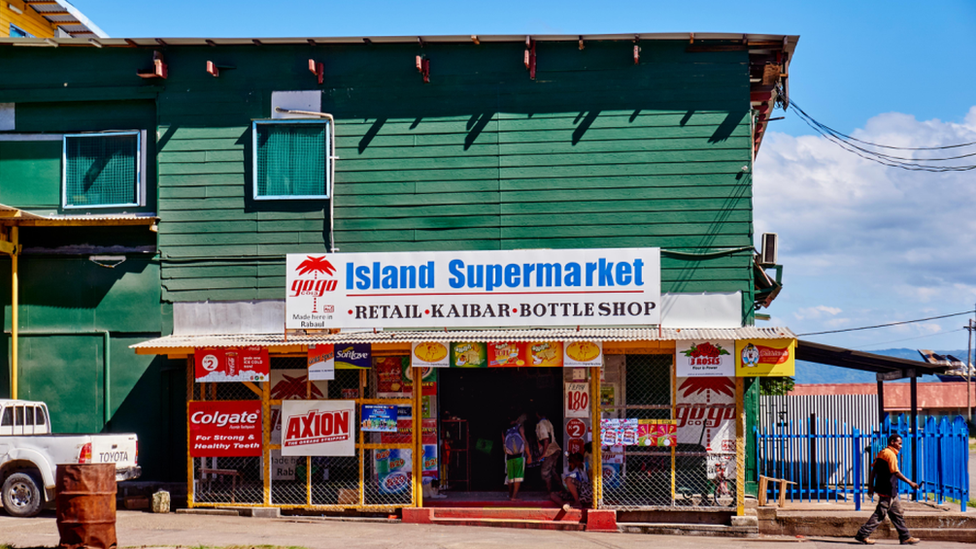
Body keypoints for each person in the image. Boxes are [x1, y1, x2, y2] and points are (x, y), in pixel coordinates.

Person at [854, 434, 920, 545]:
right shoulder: (891, 455)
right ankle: (863, 534)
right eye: (899, 443)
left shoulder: (883, 452)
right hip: (887, 489)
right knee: (880, 514)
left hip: (888, 489)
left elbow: (873, 470)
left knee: (897, 514)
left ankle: (905, 537)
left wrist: (871, 486)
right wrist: (910, 482)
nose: (901, 446)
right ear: (892, 442)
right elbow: (895, 472)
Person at [503, 415, 531, 501]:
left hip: (509, 456)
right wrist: (529, 455)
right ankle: (514, 497)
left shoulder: (504, 430)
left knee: (511, 477)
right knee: (518, 477)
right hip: (519, 456)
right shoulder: (519, 427)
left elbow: (504, 445)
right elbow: (525, 441)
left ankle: (510, 494)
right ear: (517, 419)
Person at [535, 410, 561, 492]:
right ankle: (562, 489)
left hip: (549, 451)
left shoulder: (541, 424)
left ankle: (549, 491)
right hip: (555, 449)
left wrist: (543, 454)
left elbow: (546, 439)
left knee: (545, 472)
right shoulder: (548, 422)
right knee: (553, 471)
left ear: (537, 414)